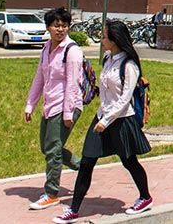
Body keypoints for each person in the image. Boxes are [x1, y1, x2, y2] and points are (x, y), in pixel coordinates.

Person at [52, 20, 153, 223]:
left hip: (121, 120)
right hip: (102, 117)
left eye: (105, 36)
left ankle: (145, 197)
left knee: (129, 161)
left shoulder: (129, 65)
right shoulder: (108, 58)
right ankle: (73, 209)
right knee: (87, 161)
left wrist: (106, 120)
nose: (102, 39)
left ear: (115, 40)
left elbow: (125, 99)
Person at [24, 7, 83, 211]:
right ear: (48, 27)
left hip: (67, 105)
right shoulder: (46, 48)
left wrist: (68, 113)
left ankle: (51, 192)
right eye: (56, 25)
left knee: (53, 149)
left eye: (64, 26)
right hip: (50, 105)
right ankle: (83, 166)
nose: (60, 30)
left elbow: (73, 84)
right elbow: (39, 77)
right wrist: (30, 105)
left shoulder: (72, 50)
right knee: (47, 147)